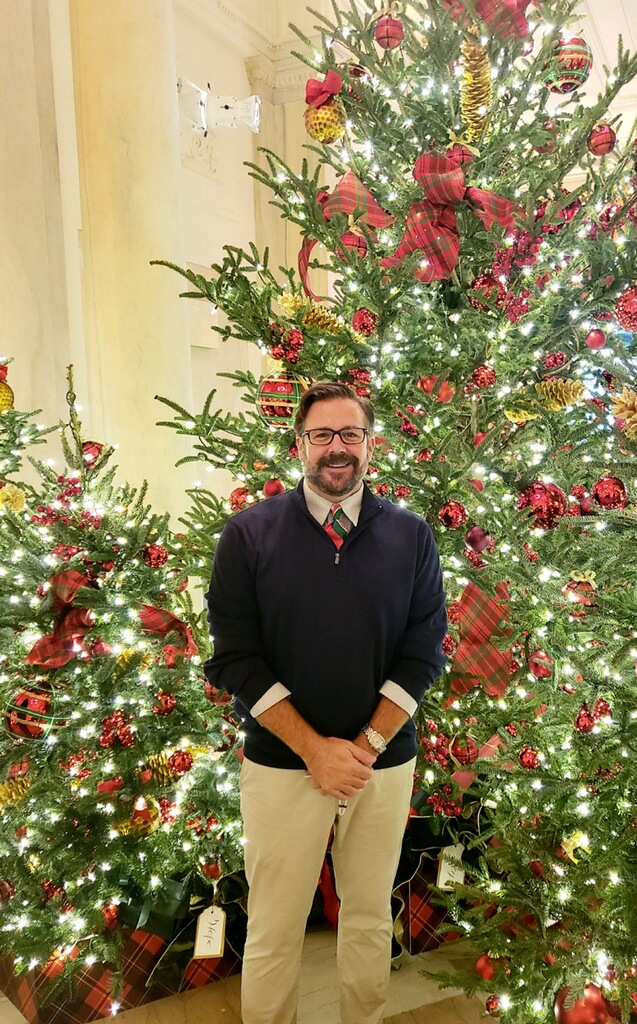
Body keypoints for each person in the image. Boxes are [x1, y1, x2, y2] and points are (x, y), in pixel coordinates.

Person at [204, 381, 447, 1024]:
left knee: (368, 917)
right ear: (299, 445)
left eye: (350, 434)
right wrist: (315, 751)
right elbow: (235, 659)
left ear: (371, 444)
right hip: (283, 764)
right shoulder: (248, 535)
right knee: (275, 925)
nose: (336, 448)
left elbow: (423, 653)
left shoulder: (412, 537)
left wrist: (364, 747)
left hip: (380, 765)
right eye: (322, 435)